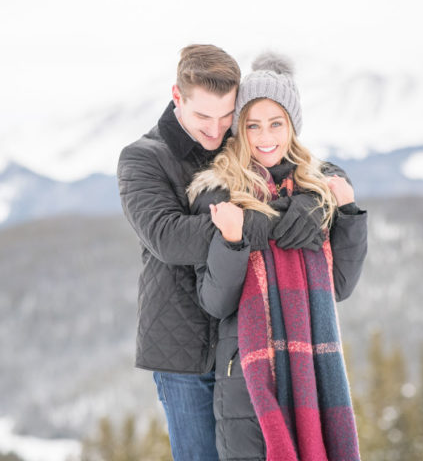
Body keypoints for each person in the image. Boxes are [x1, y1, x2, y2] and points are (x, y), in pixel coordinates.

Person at [117, 45, 340, 460]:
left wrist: (314, 203)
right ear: (176, 96)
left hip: (246, 344)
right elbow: (168, 237)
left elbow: (308, 162)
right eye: (203, 116)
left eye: (226, 116)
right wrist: (277, 223)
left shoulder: (234, 137)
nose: (217, 130)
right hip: (184, 350)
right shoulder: (143, 158)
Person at [188, 53, 368, 460]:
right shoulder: (220, 194)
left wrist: (350, 215)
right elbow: (215, 302)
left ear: (292, 127)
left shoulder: (313, 192)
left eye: (276, 123)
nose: (264, 136)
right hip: (248, 378)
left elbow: (340, 286)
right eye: (252, 125)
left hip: (312, 373)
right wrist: (233, 241)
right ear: (239, 129)